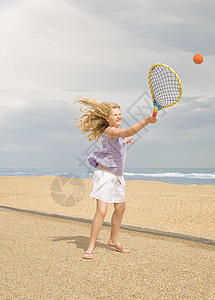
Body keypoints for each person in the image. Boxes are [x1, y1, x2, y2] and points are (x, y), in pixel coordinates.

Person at [74, 97, 157, 259]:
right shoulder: (110, 131)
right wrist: (146, 120)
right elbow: (127, 132)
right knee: (102, 210)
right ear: (107, 119)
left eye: (120, 114)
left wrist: (126, 140)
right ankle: (90, 247)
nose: (119, 117)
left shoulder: (117, 134)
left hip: (118, 176)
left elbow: (123, 137)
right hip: (105, 176)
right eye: (115, 115)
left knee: (120, 208)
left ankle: (113, 240)